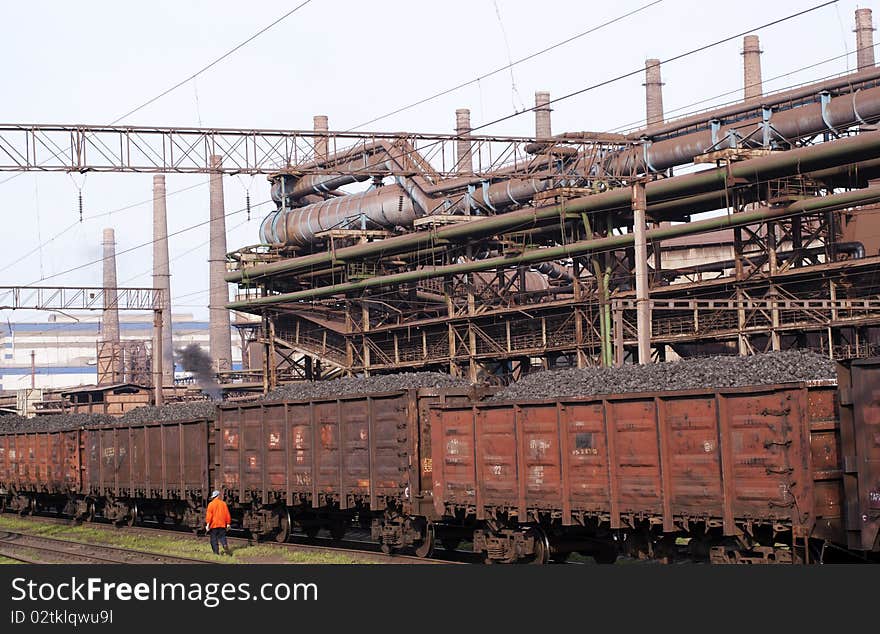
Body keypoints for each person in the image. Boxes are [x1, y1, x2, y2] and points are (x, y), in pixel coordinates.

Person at [205, 490, 232, 556]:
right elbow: (227, 514)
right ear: (218, 496)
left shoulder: (211, 504)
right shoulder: (223, 504)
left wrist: (207, 525)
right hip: (222, 524)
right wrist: (228, 524)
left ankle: (216, 553)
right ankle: (224, 545)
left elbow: (209, 515)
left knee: (213, 539)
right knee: (222, 537)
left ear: (213, 497)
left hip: (214, 525)